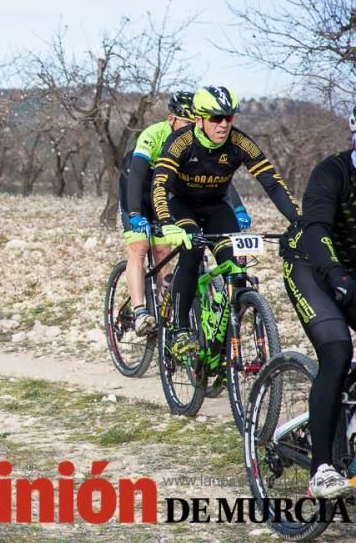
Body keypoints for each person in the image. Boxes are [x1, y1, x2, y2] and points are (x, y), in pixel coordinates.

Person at [152, 86, 300, 357]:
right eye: (216, 118)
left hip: (218, 207)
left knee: (237, 269)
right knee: (192, 250)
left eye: (229, 118)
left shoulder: (240, 142)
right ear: (198, 119)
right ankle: (181, 329)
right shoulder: (180, 142)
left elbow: (272, 182)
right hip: (183, 207)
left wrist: (299, 220)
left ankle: (224, 341)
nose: (223, 124)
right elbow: (160, 183)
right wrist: (165, 221)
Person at [119, 92, 249, 336]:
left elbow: (215, 179)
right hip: (138, 191)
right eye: (187, 123)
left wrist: (238, 208)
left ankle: (165, 305)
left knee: (164, 249)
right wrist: (136, 213)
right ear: (171, 119)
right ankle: (139, 313)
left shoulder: (197, 141)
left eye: (195, 122)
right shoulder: (154, 135)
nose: (192, 128)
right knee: (140, 247)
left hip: (167, 193)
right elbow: (136, 175)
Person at [279, 107, 356, 498]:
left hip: (351, 271)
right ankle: (322, 468)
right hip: (311, 264)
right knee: (337, 351)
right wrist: (339, 276)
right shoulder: (333, 173)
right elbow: (317, 229)